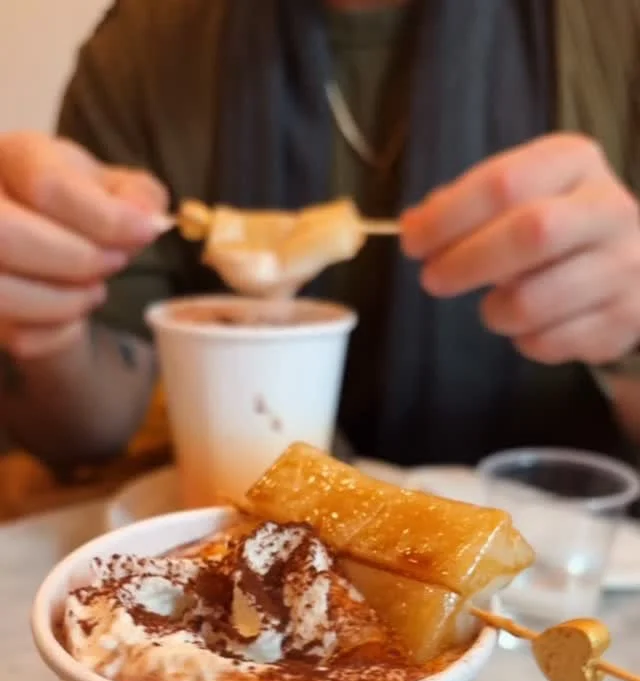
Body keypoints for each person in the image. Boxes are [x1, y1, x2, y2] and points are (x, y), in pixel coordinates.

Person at [1, 0, 640, 494]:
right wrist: (44, 326)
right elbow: (92, 425)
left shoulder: (613, 31)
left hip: (561, 577)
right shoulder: (147, 47)